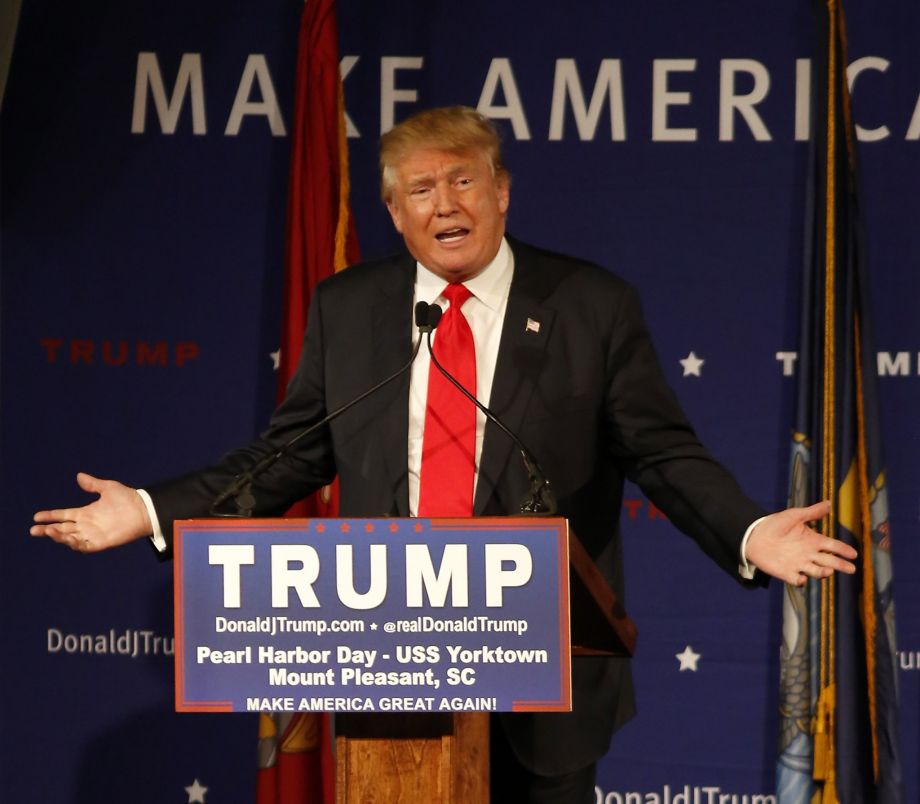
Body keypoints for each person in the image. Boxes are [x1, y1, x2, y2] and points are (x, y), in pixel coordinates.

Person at [32, 106, 857, 804]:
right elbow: (286, 458)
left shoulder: (587, 306)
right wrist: (148, 508)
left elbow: (663, 453)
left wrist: (748, 532)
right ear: (394, 213)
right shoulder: (350, 310)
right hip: (393, 664)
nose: (445, 203)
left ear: (501, 192)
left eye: (463, 180)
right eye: (421, 189)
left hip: (545, 680)